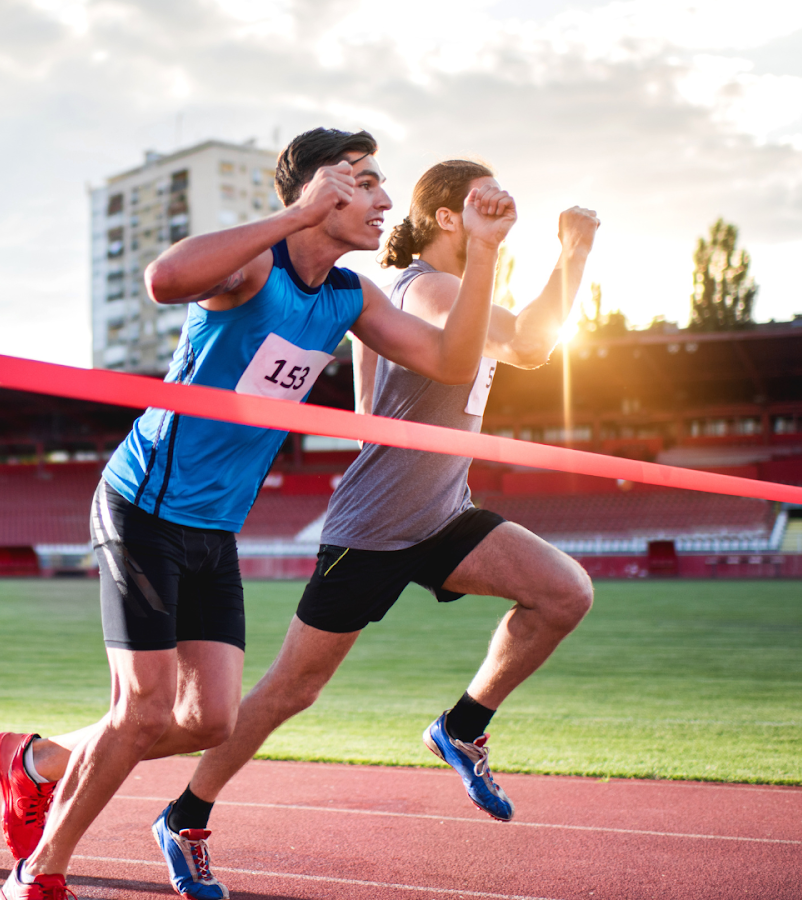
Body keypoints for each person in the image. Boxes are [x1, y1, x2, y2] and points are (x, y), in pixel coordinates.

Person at [0, 130, 516, 900]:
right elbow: (164, 277)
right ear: (320, 192)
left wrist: (485, 250)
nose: (382, 202)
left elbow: (452, 362)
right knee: (140, 711)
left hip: (212, 528)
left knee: (208, 721)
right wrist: (291, 217)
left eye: (381, 186)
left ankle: (36, 761)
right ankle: (39, 874)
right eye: (363, 183)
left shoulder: (348, 295)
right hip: (142, 506)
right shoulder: (250, 269)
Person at [151, 160, 600, 896]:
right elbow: (528, 342)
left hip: (441, 512)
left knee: (563, 592)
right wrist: (572, 253)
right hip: (375, 525)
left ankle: (460, 727)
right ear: (448, 217)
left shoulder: (418, 292)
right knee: (291, 689)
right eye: (479, 201)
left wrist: (571, 257)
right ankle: (185, 814)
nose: (495, 211)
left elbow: (387, 403)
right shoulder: (430, 287)